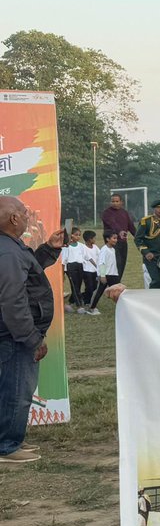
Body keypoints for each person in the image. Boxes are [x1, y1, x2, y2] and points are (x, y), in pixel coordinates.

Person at [0, 197, 64, 465]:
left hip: (14, 333)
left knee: (12, 388)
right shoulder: (8, 252)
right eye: (23, 212)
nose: (27, 216)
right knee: (17, 389)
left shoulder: (11, 248)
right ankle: (7, 446)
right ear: (13, 218)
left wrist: (49, 249)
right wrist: (31, 338)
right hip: (15, 335)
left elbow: (30, 271)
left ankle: (10, 437)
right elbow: (13, 301)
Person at [135, 197, 160, 289]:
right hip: (151, 257)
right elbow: (138, 239)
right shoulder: (146, 221)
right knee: (157, 280)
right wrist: (146, 252)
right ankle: (151, 297)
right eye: (158, 207)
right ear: (154, 209)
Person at [101, 194, 137, 279]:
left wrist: (138, 236)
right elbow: (112, 223)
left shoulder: (124, 212)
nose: (115, 203)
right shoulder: (106, 213)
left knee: (122, 264)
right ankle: (109, 281)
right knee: (115, 263)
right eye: (113, 201)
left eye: (117, 201)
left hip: (123, 242)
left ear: (121, 202)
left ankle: (117, 282)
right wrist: (120, 231)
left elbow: (131, 226)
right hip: (112, 243)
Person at [91, 231, 120, 312]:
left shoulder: (113, 249)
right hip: (106, 275)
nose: (116, 240)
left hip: (113, 274)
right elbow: (102, 263)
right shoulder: (104, 249)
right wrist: (103, 275)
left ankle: (120, 307)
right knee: (99, 292)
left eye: (116, 238)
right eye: (114, 238)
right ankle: (92, 308)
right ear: (107, 239)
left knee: (117, 291)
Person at [60, 227, 85, 311]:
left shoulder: (81, 246)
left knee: (78, 285)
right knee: (74, 285)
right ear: (71, 235)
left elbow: (85, 257)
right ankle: (79, 305)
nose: (78, 237)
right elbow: (63, 261)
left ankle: (71, 301)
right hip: (70, 267)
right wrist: (62, 273)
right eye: (76, 235)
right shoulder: (66, 247)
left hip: (79, 266)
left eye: (79, 235)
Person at [79, 230, 101, 315]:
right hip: (86, 270)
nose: (95, 239)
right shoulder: (83, 247)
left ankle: (84, 297)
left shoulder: (95, 247)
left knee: (94, 287)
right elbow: (89, 258)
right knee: (89, 287)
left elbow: (100, 254)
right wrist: (97, 265)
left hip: (95, 271)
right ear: (89, 239)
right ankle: (87, 301)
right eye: (94, 238)